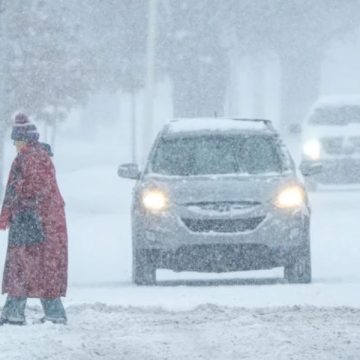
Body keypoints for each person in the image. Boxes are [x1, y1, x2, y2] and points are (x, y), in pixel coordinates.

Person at [0, 113, 68, 325]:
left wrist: (11, 210)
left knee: (23, 265)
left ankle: (14, 313)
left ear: (26, 139)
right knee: (39, 267)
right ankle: (51, 313)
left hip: (35, 221)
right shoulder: (36, 156)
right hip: (42, 221)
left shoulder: (31, 158)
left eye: (17, 140)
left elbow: (27, 189)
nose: (14, 144)